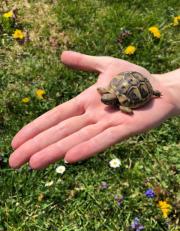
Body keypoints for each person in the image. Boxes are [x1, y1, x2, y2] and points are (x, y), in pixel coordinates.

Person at [9, 51, 180, 169]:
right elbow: (104, 94)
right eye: (105, 99)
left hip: (141, 87)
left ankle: (153, 92)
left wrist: (166, 91)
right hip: (130, 82)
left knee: (151, 93)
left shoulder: (121, 104)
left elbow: (128, 110)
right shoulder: (109, 93)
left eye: (106, 100)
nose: (104, 101)